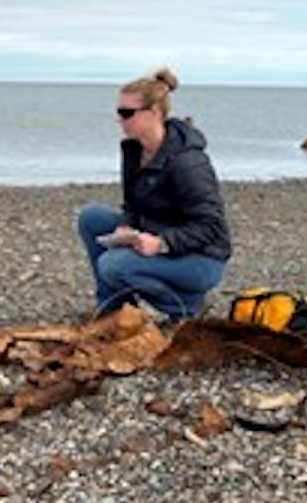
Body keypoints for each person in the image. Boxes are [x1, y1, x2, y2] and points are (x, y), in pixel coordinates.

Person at [76, 68, 233, 321]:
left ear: (154, 113)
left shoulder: (188, 163)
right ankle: (114, 310)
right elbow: (133, 205)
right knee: (92, 217)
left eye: (127, 113)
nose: (120, 119)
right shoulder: (135, 150)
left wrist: (161, 243)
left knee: (113, 265)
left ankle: (185, 308)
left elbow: (210, 226)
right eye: (119, 112)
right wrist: (126, 226)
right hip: (157, 232)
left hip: (202, 259)